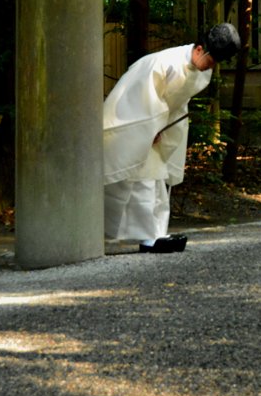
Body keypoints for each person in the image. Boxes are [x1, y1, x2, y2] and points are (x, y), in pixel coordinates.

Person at [103, 23, 241, 253]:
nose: (212, 66)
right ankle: (148, 238)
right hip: (131, 120)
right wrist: (151, 127)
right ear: (199, 49)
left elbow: (176, 103)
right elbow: (142, 96)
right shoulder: (163, 63)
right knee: (141, 179)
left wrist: (163, 128)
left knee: (157, 179)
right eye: (211, 59)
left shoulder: (200, 70)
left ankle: (157, 234)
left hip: (157, 125)